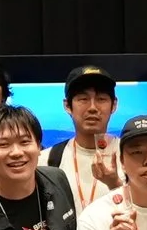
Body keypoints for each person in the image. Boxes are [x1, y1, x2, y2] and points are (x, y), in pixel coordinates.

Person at [47, 64, 122, 213]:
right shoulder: (47, 160)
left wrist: (115, 184)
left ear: (114, 105)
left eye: (101, 99)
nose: (92, 107)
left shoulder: (131, 155)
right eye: (83, 99)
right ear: (67, 105)